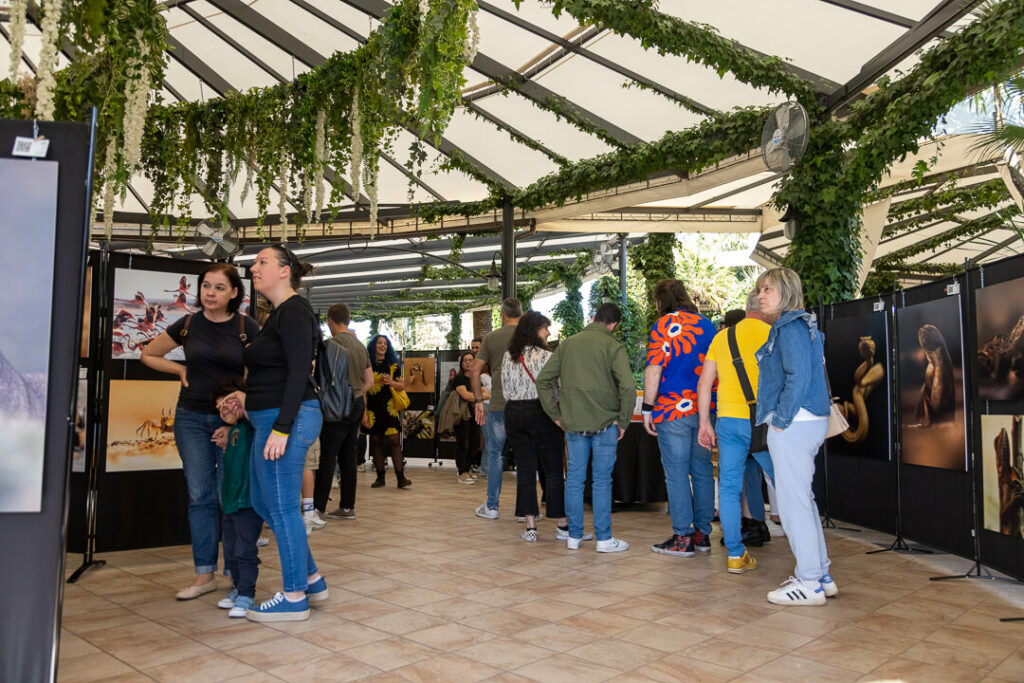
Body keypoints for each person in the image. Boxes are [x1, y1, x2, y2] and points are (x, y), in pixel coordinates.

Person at [140, 263, 260, 600]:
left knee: (230, 497)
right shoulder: (189, 323)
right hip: (190, 417)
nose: (210, 293)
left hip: (233, 422)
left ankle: (237, 572)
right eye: (206, 286)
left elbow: (256, 377)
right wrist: (178, 370)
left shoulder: (246, 326)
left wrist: (235, 415)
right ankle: (204, 574)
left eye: (219, 287)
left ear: (235, 293)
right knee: (200, 497)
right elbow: (148, 354)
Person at [220, 245, 327, 622]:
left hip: (288, 419)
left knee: (281, 508)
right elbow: (274, 372)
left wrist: (282, 427)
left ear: (285, 271)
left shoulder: (295, 311)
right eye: (254, 263)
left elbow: (299, 370)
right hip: (268, 418)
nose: (253, 267)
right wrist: (245, 401)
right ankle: (311, 577)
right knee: (268, 505)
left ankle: (295, 595)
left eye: (262, 262)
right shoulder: (278, 315)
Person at [754, 267, 835, 606]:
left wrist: (781, 420)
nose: (760, 295)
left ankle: (810, 582)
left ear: (786, 291)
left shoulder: (789, 327)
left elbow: (797, 377)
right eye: (759, 289)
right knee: (802, 500)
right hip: (807, 420)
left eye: (768, 289)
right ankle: (821, 575)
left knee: (792, 503)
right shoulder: (802, 326)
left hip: (795, 422)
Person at [537, 303, 636, 552]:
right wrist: (623, 420)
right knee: (602, 481)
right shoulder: (613, 345)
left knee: (574, 481)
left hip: (573, 423)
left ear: (593, 318)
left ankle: (574, 537)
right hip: (606, 423)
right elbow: (628, 387)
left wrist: (555, 414)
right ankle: (604, 539)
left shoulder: (568, 344)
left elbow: (543, 381)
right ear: (613, 325)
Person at [698, 290, 775, 575]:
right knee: (786, 483)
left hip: (728, 420)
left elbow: (705, 384)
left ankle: (734, 554)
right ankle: (807, 557)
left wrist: (705, 422)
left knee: (729, 487)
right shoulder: (774, 333)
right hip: (764, 421)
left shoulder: (722, 337)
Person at [642, 279, 718, 558]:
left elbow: (654, 368)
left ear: (661, 301)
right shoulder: (707, 325)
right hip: (704, 410)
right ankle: (702, 534)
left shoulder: (663, 325)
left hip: (672, 409)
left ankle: (682, 537)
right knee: (701, 470)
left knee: (676, 473)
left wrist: (648, 407)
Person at [501, 312, 568, 542]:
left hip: (514, 413)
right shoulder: (548, 356)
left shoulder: (509, 356)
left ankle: (530, 525)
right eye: (545, 328)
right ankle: (561, 524)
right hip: (542, 412)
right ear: (535, 330)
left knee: (525, 469)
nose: (548, 332)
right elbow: (556, 387)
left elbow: (505, 388)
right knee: (553, 468)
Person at [315, 303, 373, 519]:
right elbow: (369, 381)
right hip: (356, 403)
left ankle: (318, 507)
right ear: (347, 321)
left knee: (327, 456)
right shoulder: (360, 346)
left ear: (330, 320)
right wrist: (355, 392)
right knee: (349, 456)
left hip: (335, 407)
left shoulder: (329, 346)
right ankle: (347, 507)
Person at [211, 380, 260, 618]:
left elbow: (252, 416)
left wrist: (241, 399)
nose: (224, 410)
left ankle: (247, 593)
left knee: (245, 549)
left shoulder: (252, 426)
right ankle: (238, 588)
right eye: (219, 407)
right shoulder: (234, 431)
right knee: (230, 549)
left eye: (229, 404)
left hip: (248, 501)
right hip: (231, 502)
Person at [470, 298, 523, 519]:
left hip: (499, 404)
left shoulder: (491, 338)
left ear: (502, 314)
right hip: (525, 404)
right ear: (521, 313)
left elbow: (474, 371)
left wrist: (477, 401)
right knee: (524, 457)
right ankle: (525, 511)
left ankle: (492, 506)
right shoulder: (528, 335)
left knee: (494, 456)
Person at [364, 334, 411, 488]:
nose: (382, 346)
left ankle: (401, 478)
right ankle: (380, 477)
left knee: (394, 441)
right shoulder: (367, 364)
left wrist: (391, 382)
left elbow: (402, 386)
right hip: (372, 408)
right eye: (379, 343)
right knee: (376, 441)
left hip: (390, 409)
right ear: (373, 346)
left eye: (385, 343)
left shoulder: (393, 365)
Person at [451, 351, 486, 484]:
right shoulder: (459, 379)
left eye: (471, 360)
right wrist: (477, 396)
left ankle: (469, 468)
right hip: (462, 415)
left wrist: (476, 396)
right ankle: (462, 472)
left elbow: (487, 394)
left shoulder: (476, 379)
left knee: (475, 443)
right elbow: (466, 396)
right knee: (462, 443)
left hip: (475, 414)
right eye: (465, 360)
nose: (468, 362)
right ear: (461, 363)